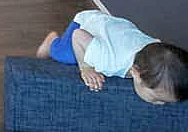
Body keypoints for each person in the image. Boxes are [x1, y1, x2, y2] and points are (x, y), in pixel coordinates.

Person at [36, 9, 188, 104]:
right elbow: (78, 36)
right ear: (135, 73)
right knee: (66, 55)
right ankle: (51, 42)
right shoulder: (108, 61)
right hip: (85, 24)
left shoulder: (156, 48)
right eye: (157, 99)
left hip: (112, 28)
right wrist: (86, 68)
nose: (161, 105)